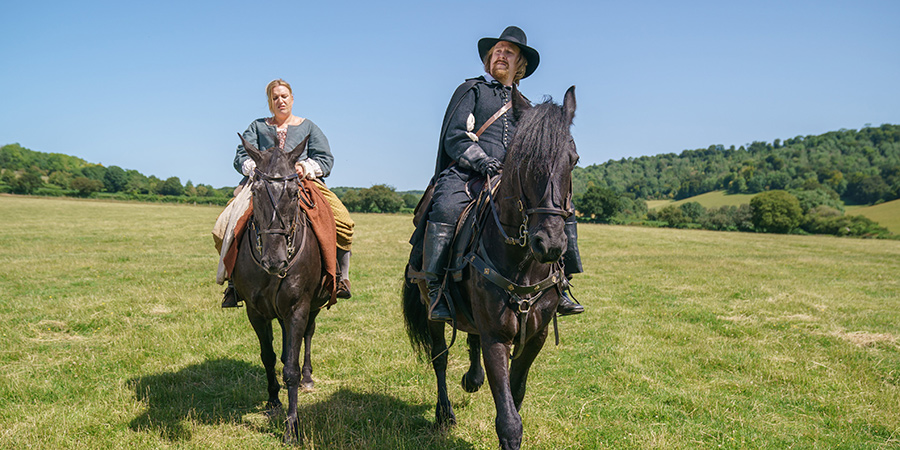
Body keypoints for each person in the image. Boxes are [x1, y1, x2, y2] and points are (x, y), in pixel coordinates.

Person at [421, 26, 585, 322]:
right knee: (446, 206)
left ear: (520, 64)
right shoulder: (471, 91)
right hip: (468, 173)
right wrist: (480, 160)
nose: (500, 55)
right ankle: (436, 287)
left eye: (508, 52)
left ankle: (561, 285)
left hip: (512, 180)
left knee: (560, 211)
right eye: (496, 51)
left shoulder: (527, 107)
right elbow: (455, 136)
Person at [217, 79, 355, 307]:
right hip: (261, 185)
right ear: (270, 102)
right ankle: (234, 282)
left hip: (301, 183)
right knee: (225, 224)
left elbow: (325, 159)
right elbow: (242, 155)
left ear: (292, 98)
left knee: (343, 222)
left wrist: (305, 167)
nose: (280, 101)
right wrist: (256, 168)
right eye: (275, 98)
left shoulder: (308, 126)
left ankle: (339, 278)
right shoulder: (257, 127)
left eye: (284, 96)